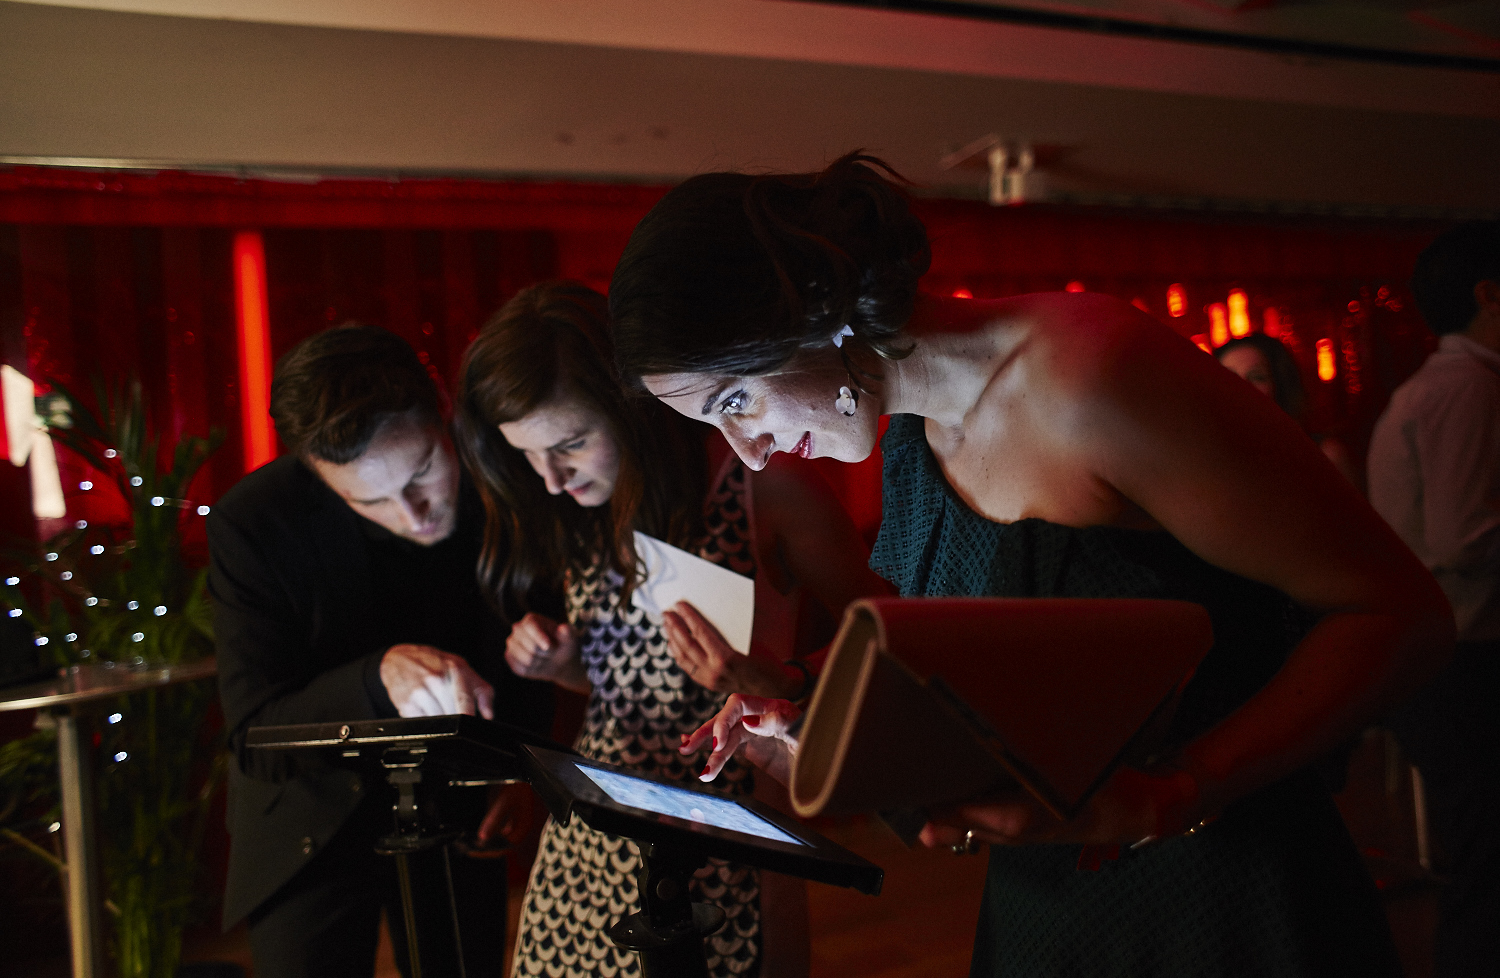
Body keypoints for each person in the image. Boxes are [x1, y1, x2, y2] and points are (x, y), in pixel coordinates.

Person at [608, 153, 1454, 976]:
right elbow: (980, 645)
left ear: (809, 310)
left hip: (1232, 889)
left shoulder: (1093, 377)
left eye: (734, 403)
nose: (749, 456)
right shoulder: (909, 437)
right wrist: (808, 702)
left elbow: (1397, 613)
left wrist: (1176, 791)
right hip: (1047, 904)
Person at [453, 282, 885, 978]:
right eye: (529, 458)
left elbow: (886, 644)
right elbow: (623, 679)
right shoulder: (589, 508)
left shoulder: (762, 486)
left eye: (569, 444)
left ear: (635, 405)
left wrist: (774, 680)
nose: (552, 479)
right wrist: (564, 664)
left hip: (721, 836)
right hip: (591, 834)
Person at [210, 325, 553, 977]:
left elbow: (524, 630)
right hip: (309, 825)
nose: (415, 513)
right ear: (318, 477)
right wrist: (377, 677)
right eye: (370, 500)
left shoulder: (505, 479)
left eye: (424, 470)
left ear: (442, 411)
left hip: (458, 802)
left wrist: (515, 766)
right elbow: (255, 736)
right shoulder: (252, 524)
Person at [1367, 221, 1500, 977]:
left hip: (1446, 662)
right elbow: (1467, 540)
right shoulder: (1467, 388)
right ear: (1490, 296)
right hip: (1464, 663)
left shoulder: (1450, 385)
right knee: (1488, 870)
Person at [1215, 332, 1360, 488]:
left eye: (1257, 377)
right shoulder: (1212, 461)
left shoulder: (1324, 456)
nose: (1242, 387)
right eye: (1229, 378)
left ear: (1280, 385)